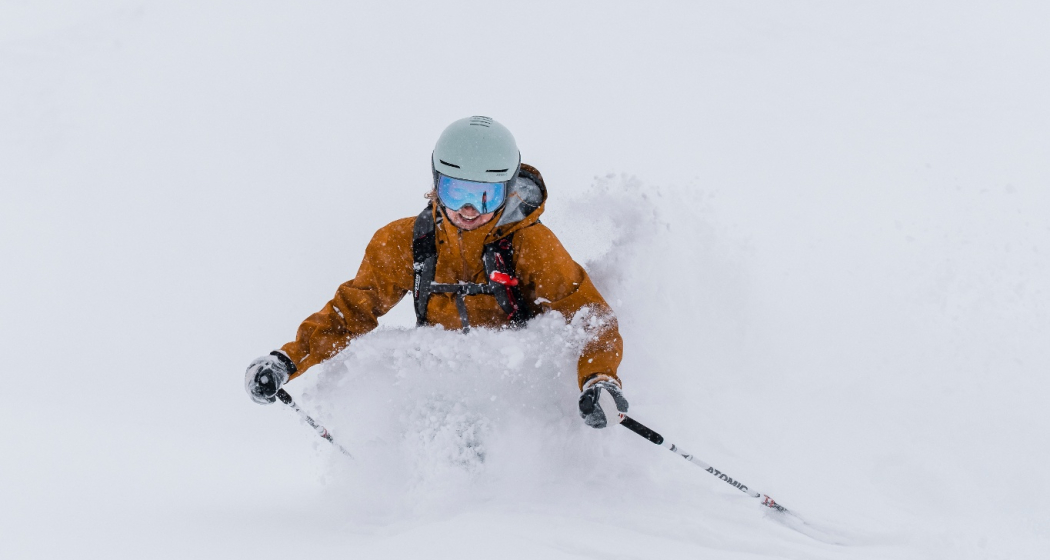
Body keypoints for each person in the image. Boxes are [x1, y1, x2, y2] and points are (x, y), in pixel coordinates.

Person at [244, 116, 628, 428]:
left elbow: (588, 316)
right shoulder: (407, 241)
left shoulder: (529, 245)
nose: (469, 211)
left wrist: (599, 379)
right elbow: (352, 311)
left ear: (508, 191)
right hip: (442, 395)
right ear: (435, 184)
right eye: (455, 192)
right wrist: (286, 361)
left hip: (517, 396)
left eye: (485, 196)